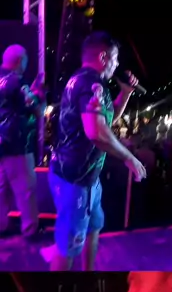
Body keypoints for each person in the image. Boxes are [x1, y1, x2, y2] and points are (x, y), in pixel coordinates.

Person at [41, 31, 146, 271]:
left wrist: (125, 93)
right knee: (68, 246)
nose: (117, 65)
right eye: (115, 59)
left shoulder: (87, 81)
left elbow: (105, 121)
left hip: (87, 178)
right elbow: (96, 132)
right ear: (103, 57)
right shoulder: (91, 84)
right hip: (75, 180)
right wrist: (129, 157)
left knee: (93, 227)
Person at [0, 44, 46, 239]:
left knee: (1, 189)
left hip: (2, 144)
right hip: (17, 145)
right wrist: (39, 93)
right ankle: (31, 230)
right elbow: (37, 109)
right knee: (25, 189)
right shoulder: (17, 81)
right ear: (20, 61)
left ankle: (1, 227)